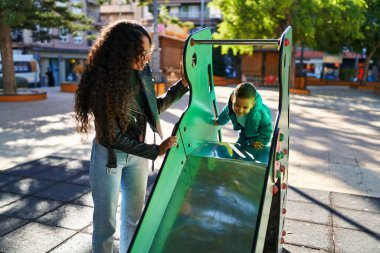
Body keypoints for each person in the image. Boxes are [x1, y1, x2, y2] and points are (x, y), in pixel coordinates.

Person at [74, 20, 189, 253]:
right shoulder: (103, 81)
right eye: (141, 52)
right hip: (110, 158)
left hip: (137, 156)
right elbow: (111, 138)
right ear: (123, 51)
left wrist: (182, 86)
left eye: (148, 52)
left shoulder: (141, 73)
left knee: (133, 219)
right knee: (106, 225)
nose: (146, 57)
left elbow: (151, 108)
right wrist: (155, 151)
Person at [215, 82, 272, 150]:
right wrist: (219, 121)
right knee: (238, 147)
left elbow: (267, 128)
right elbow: (225, 113)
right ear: (232, 99)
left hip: (257, 135)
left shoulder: (261, 114)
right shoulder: (230, 107)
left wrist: (261, 141)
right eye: (237, 106)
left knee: (255, 150)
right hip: (244, 131)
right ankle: (236, 157)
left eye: (245, 107)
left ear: (253, 104)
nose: (240, 110)